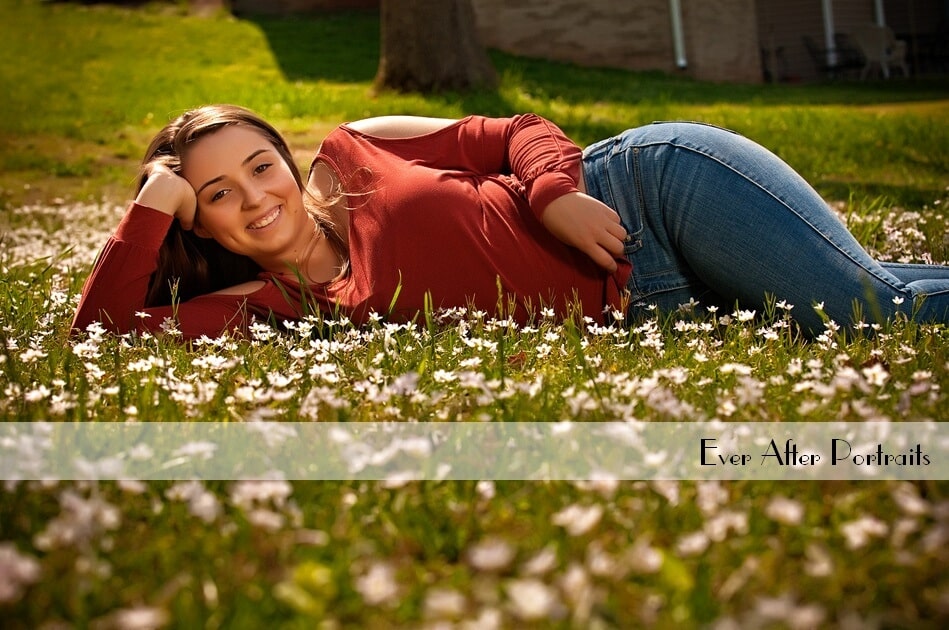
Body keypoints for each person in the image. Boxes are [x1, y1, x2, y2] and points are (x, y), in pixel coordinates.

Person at [71, 105, 949, 340]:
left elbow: (514, 132)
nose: (255, 197)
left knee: (874, 309)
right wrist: (154, 197)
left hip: (650, 191)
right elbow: (102, 329)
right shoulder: (270, 307)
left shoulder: (354, 154)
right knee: (871, 291)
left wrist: (551, 194)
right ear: (203, 227)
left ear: (284, 157)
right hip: (654, 301)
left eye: (259, 165)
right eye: (216, 194)